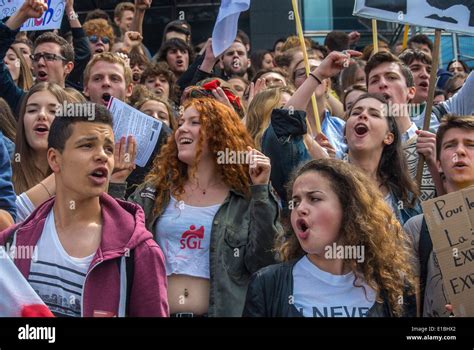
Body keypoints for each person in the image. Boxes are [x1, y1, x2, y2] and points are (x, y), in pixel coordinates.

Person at [110, 97, 282, 317]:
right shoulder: (155, 191)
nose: (182, 128)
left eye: (194, 122)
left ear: (220, 133)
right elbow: (116, 242)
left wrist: (260, 191)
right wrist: (116, 182)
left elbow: (265, 262)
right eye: (180, 122)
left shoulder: (245, 199)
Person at [0, 103, 169, 317]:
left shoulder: (139, 253)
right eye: (87, 146)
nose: (102, 156)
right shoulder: (13, 242)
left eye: (108, 148)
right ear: (54, 159)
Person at [243, 159, 416, 317]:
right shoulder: (267, 285)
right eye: (295, 202)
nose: (300, 208)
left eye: (314, 198)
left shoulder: (393, 286)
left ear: (349, 208)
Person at [404, 115, 474, 317]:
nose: (460, 151)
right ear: (439, 163)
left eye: (471, 145)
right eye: (450, 145)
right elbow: (409, 306)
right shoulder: (417, 228)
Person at [344, 93, 421, 224]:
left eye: (374, 114)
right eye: (356, 113)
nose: (362, 115)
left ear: (388, 137)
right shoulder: (328, 180)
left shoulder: (404, 195)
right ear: (345, 133)